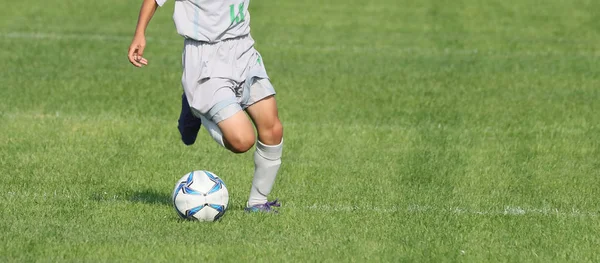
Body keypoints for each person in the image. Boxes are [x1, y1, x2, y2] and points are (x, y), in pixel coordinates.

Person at [127, 0, 283, 213]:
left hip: (243, 49)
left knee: (273, 129)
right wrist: (140, 34)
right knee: (241, 141)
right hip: (205, 56)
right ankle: (195, 107)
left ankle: (257, 203)